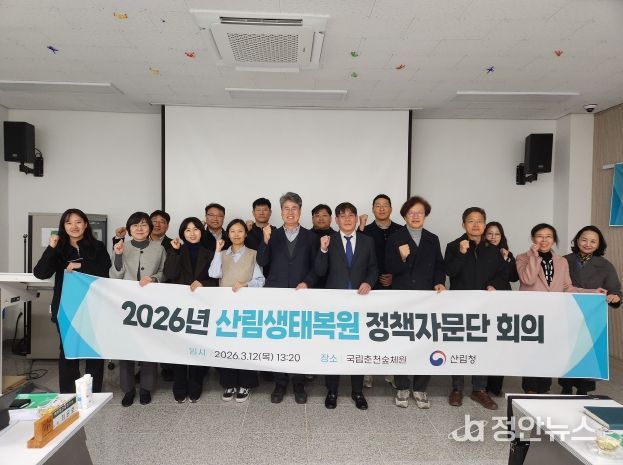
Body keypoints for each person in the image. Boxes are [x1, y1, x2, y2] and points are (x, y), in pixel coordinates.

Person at [516, 223, 604, 394]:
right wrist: (534, 256)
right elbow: (528, 279)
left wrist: (593, 292)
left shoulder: (561, 261)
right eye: (539, 236)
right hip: (530, 313)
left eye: (548, 236)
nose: (544, 240)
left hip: (553, 314)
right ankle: (530, 388)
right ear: (533, 239)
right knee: (531, 351)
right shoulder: (522, 258)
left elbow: (567, 287)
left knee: (548, 351)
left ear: (554, 240)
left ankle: (544, 388)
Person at [33, 208, 111, 394]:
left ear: (85, 224)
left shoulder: (97, 246)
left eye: (78, 222)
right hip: (67, 308)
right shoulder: (59, 248)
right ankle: (68, 394)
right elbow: (41, 273)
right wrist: (51, 248)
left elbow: (104, 271)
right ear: (63, 226)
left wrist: (80, 265)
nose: (74, 226)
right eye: (69, 223)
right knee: (68, 352)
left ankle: (93, 393)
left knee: (94, 351)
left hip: (93, 306)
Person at [256, 192, 318, 404]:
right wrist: (265, 241)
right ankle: (280, 383)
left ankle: (299, 383)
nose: (290, 212)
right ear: (281, 212)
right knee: (278, 340)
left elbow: (316, 267)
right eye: (286, 208)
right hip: (277, 295)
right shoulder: (271, 234)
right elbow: (262, 261)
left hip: (301, 296)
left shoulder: (311, 237)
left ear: (300, 211)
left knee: (300, 340)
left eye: (294, 208)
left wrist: (307, 282)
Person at [315, 202, 378, 410]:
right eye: (342, 216)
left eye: (351, 215)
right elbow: (320, 271)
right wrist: (323, 250)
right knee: (333, 348)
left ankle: (357, 392)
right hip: (335, 305)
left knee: (357, 348)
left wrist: (369, 282)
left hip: (361, 303)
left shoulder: (368, 241)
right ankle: (332, 391)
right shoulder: (328, 240)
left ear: (356, 218)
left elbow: (374, 268)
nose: (347, 219)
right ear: (336, 220)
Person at [444, 207, 508, 410]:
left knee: (482, 346)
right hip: (459, 305)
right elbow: (450, 272)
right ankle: (457, 388)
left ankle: (479, 390)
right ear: (463, 224)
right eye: (471, 221)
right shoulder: (453, 246)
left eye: (479, 221)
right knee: (459, 346)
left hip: (485, 307)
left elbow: (502, 274)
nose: (475, 225)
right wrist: (462, 253)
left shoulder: (493, 249)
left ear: (485, 224)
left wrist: (494, 285)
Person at [385, 196, 445, 409]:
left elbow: (439, 265)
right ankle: (402, 386)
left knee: (425, 341)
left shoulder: (432, 238)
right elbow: (388, 267)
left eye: (420, 212)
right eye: (411, 212)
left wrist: (439, 282)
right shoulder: (395, 238)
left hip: (426, 298)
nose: (416, 216)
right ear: (404, 216)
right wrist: (401, 258)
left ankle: (420, 388)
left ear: (425, 215)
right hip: (402, 297)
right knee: (401, 341)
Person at [109, 211, 166, 406]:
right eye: (135, 225)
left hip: (151, 303)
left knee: (148, 346)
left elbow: (163, 271)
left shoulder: (159, 248)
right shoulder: (122, 246)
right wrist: (118, 255)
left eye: (143, 225)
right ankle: (128, 389)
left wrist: (154, 278)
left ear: (149, 228)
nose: (139, 229)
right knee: (126, 347)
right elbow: (115, 275)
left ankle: (146, 388)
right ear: (129, 229)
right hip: (126, 304)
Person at [560, 225, 621, 394]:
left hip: (591, 316)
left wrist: (615, 296)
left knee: (587, 353)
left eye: (593, 241)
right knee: (568, 350)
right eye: (584, 240)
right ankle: (566, 386)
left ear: (599, 244)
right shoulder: (563, 260)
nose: (588, 244)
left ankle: (583, 389)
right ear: (577, 240)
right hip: (568, 312)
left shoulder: (605, 265)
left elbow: (615, 289)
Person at [209, 219, 265, 402]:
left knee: (245, 346)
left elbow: (260, 281)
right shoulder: (222, 253)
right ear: (228, 234)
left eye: (240, 231)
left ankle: (245, 384)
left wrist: (246, 285)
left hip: (246, 307)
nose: (236, 234)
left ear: (246, 234)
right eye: (232, 231)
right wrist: (217, 251)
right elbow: (213, 274)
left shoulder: (253, 254)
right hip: (225, 308)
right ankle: (229, 383)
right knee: (227, 346)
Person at [163, 217, 217, 403]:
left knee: (197, 347)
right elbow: (169, 274)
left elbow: (217, 280)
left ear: (202, 231)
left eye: (196, 229)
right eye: (188, 230)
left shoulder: (209, 253)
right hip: (179, 307)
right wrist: (175, 252)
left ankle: (195, 383)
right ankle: (179, 385)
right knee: (179, 347)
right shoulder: (175, 250)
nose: (192, 233)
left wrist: (203, 283)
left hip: (201, 307)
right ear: (182, 233)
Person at [484, 221, 519, 397]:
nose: (493, 237)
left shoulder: (507, 254)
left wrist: (507, 259)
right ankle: (482, 385)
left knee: (501, 343)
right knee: (486, 343)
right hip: (486, 299)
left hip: (503, 301)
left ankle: (496, 385)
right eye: (489, 233)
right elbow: (488, 276)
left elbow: (512, 277)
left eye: (497, 234)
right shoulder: (481, 252)